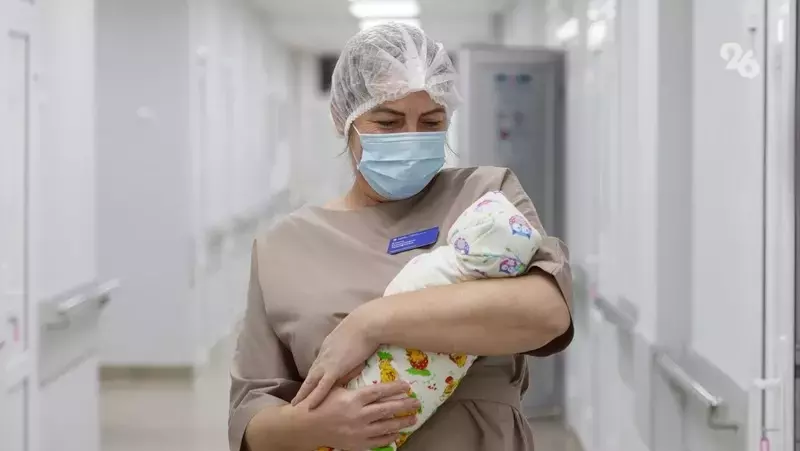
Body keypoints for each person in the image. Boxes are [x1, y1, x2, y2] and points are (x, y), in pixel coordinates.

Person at [229, 22, 573, 451]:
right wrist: (315, 426)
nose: (411, 138)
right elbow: (250, 416)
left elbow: (546, 313)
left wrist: (372, 323)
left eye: (431, 122)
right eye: (388, 122)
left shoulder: (484, 198)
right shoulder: (284, 246)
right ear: (343, 119)